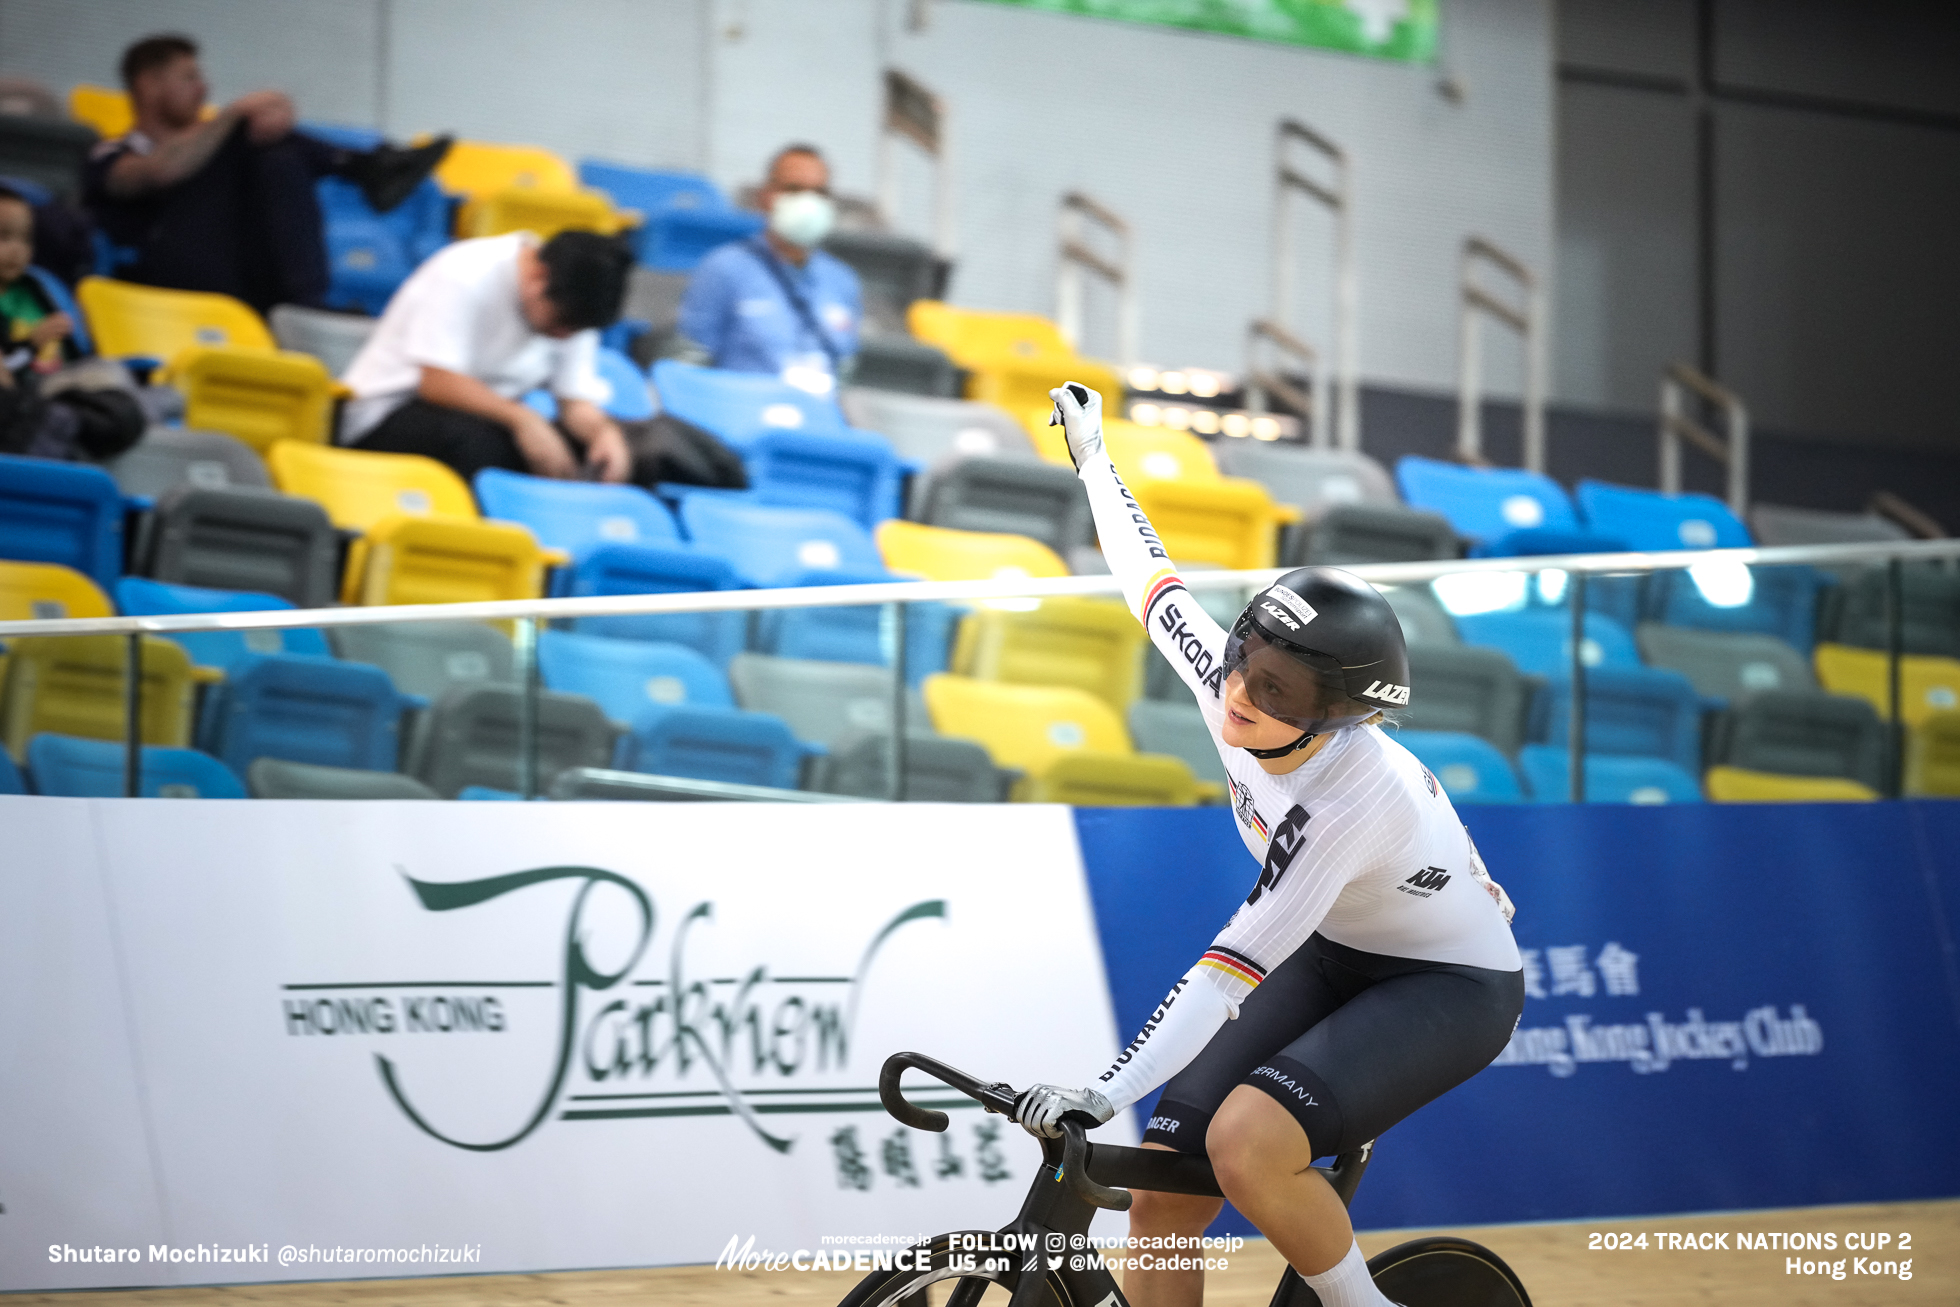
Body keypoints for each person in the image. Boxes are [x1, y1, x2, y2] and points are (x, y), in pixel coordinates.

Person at [1013, 384, 1525, 1307]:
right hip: (1339, 948)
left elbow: (1224, 972)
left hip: (1447, 986)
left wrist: (1100, 1089)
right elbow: (1150, 579)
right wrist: (1094, 457)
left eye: (1283, 693)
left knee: (1248, 1145)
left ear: (1336, 719)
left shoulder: (1353, 798)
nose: (1245, 696)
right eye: (1248, 661)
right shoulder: (1229, 685)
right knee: (1165, 1181)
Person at [82, 33, 448, 312]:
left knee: (278, 159)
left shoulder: (225, 154)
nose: (203, 88)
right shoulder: (112, 151)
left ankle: (305, 305)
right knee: (243, 133)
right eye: (189, 77)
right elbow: (158, 172)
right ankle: (365, 167)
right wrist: (239, 113)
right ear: (148, 85)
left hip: (238, 273)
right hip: (162, 276)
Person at [339, 229, 636, 485]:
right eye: (560, 325)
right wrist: (523, 421)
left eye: (576, 331)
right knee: (485, 447)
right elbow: (436, 382)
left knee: (605, 457)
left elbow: (574, 401)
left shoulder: (577, 306)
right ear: (537, 276)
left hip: (490, 418)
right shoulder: (466, 271)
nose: (564, 337)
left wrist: (604, 435)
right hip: (388, 411)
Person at [676, 143, 861, 395]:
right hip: (740, 419)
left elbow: (845, 375)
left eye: (819, 193)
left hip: (817, 422)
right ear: (765, 197)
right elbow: (688, 367)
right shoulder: (724, 268)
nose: (808, 202)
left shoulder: (842, 281)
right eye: (793, 190)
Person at [0, 184, 144, 461]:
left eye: (26, 239)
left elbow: (76, 357)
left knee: (112, 381)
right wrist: (31, 345)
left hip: (49, 390)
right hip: (19, 397)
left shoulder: (41, 288)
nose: (17, 250)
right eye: (4, 237)